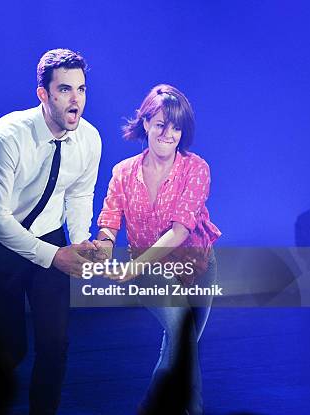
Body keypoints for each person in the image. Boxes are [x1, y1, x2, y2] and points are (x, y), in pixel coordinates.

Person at [0, 48, 102, 414]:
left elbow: (79, 192)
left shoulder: (89, 139)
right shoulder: (7, 136)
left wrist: (80, 242)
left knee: (55, 344)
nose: (76, 99)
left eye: (81, 89)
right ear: (43, 94)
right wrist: (55, 256)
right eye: (64, 89)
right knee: (9, 350)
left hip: (51, 240)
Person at [95, 84, 221, 415]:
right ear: (146, 122)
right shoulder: (122, 173)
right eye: (161, 124)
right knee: (182, 333)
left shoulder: (196, 168)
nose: (168, 134)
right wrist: (105, 247)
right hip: (150, 270)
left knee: (179, 349)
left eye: (176, 127)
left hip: (198, 267)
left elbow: (180, 231)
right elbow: (109, 222)